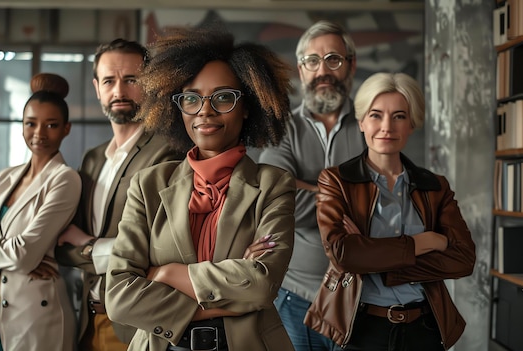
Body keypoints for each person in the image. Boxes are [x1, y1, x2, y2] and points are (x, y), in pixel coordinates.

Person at [105, 27, 296, 351]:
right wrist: (234, 292)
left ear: (247, 105)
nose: (205, 110)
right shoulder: (149, 185)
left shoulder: (273, 185)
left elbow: (261, 286)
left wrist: (165, 273)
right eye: (191, 98)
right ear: (177, 107)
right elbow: (119, 296)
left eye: (223, 97)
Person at [304, 72, 476, 350]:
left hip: (425, 329)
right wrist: (425, 242)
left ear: (412, 123)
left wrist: (378, 259)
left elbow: (464, 258)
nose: (387, 126)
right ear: (361, 122)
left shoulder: (435, 186)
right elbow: (343, 254)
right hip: (362, 330)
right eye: (375, 115)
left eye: (399, 116)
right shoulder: (336, 181)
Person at [55, 38, 184, 351]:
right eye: (110, 81)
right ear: (97, 87)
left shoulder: (169, 153)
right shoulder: (92, 158)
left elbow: (158, 250)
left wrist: (85, 247)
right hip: (87, 320)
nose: (119, 92)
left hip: (135, 326)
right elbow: (60, 245)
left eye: (131, 80)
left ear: (150, 84)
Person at [257, 20, 365, 351]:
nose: (323, 70)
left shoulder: (373, 122)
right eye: (312, 61)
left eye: (333, 59)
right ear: (301, 70)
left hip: (363, 297)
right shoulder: (281, 130)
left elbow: (382, 202)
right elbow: (277, 204)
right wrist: (348, 195)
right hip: (295, 298)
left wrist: (304, 185)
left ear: (351, 65)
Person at [0, 73, 80, 351]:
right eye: (31, 124)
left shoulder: (65, 179)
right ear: (22, 125)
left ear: (66, 129)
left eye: (51, 125)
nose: (39, 134)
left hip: (35, 312)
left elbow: (24, 256)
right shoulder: (6, 177)